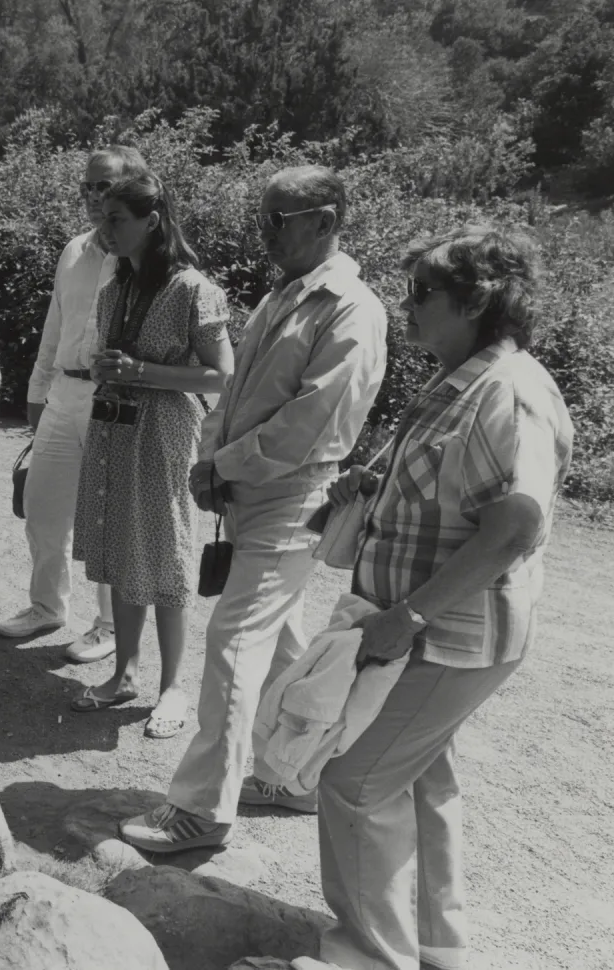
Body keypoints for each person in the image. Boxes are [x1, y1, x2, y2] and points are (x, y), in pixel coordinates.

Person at [290, 226, 571, 970]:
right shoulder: (460, 379)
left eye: (423, 293)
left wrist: (409, 615)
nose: (405, 303)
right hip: (428, 632)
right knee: (419, 782)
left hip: (445, 635)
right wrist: (370, 489)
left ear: (477, 301)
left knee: (354, 784)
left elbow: (516, 524)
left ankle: (365, 956)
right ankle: (436, 948)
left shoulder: (507, 389)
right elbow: (458, 498)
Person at [120, 165, 388, 850]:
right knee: (284, 646)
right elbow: (233, 391)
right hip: (253, 490)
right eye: (261, 216)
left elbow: (311, 425)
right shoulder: (286, 295)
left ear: (325, 222)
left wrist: (224, 464)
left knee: (235, 645)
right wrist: (209, 460)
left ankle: (202, 812)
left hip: (293, 496)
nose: (262, 231)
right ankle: (292, 777)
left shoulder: (352, 308)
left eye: (278, 219)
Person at [64, 174, 235, 741]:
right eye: (102, 217)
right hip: (114, 431)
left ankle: (172, 688)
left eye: (116, 219)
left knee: (164, 552)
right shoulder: (117, 288)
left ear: (152, 221)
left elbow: (220, 375)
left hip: (163, 434)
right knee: (122, 547)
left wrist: (141, 372)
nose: (104, 228)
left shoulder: (193, 289)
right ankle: (125, 673)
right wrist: (103, 369)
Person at [0, 146, 150, 662]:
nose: (91, 197)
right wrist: (37, 396)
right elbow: (54, 328)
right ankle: (47, 606)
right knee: (42, 506)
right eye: (86, 186)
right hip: (65, 392)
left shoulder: (146, 255)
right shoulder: (73, 251)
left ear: (132, 187)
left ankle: (107, 625)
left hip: (116, 400)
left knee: (106, 519)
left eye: (102, 186)